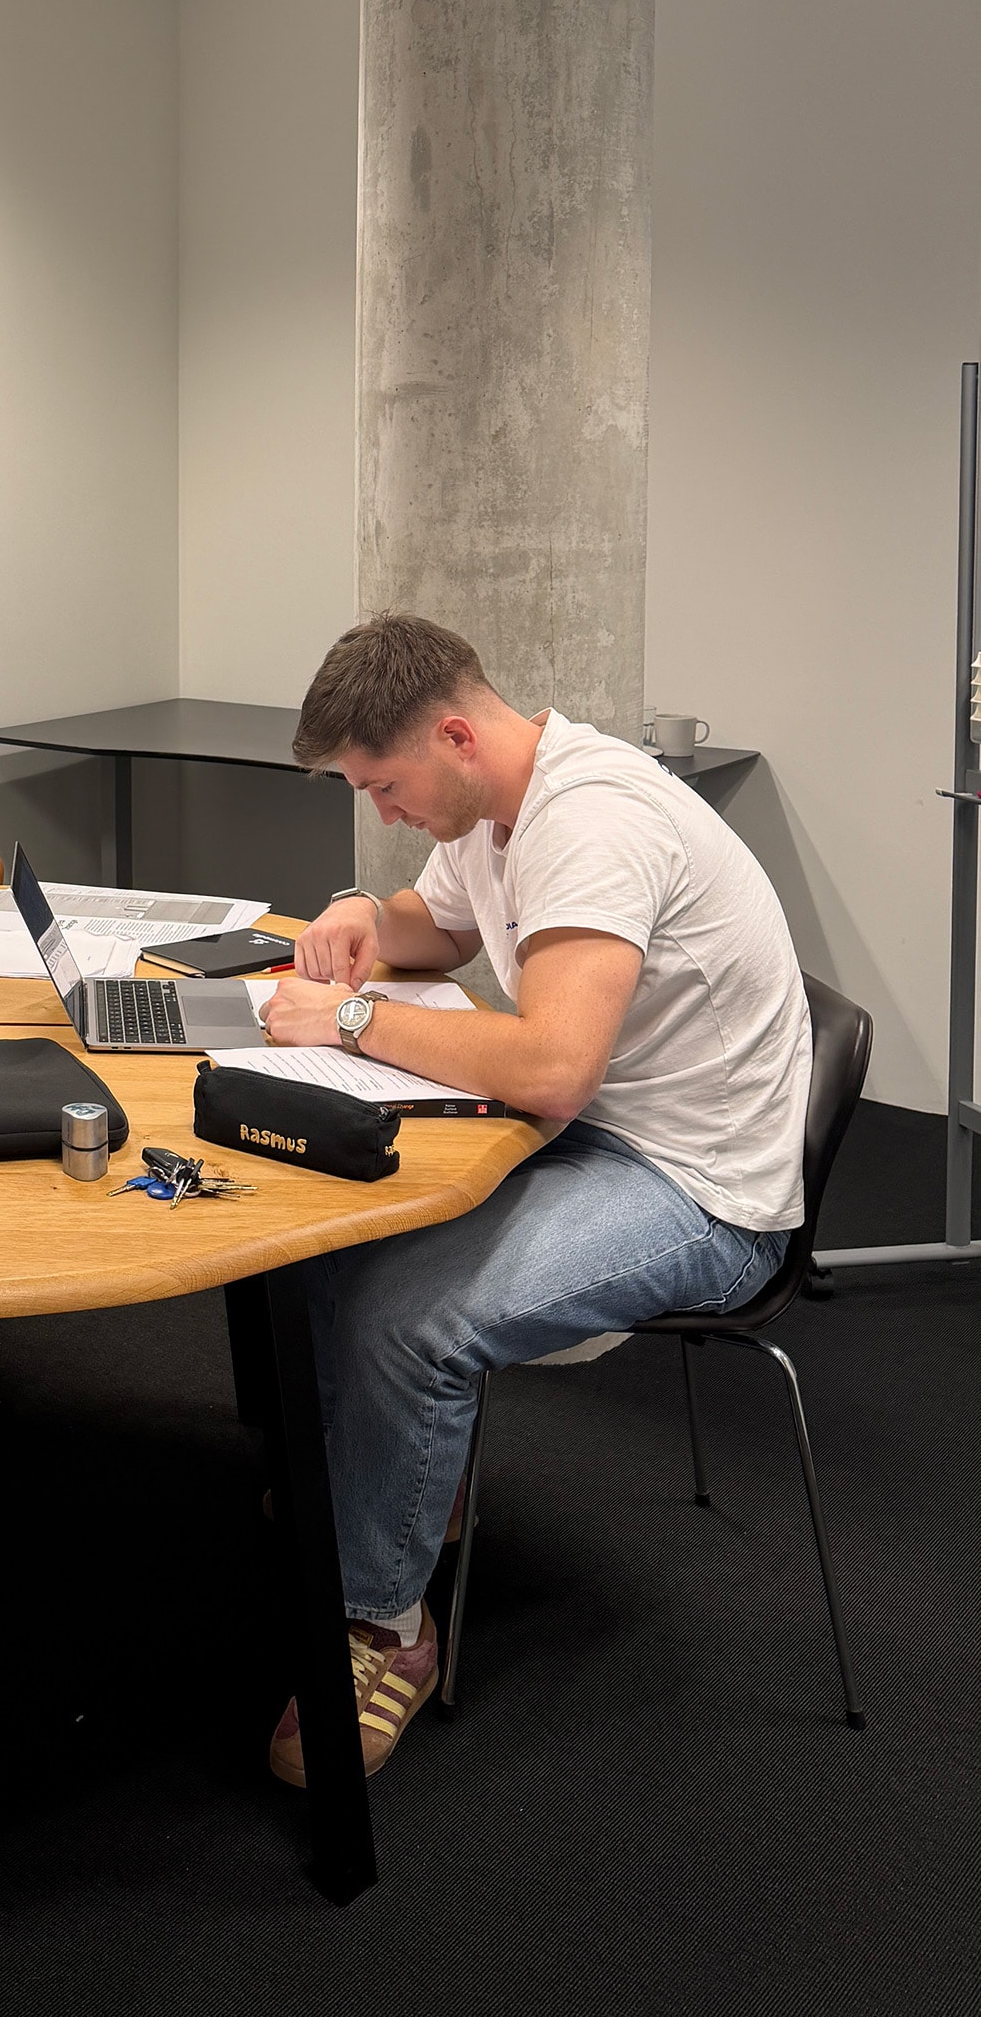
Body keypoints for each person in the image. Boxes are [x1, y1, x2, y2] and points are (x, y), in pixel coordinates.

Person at [262, 613, 809, 1788]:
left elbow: (556, 1068)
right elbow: (439, 924)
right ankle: (394, 1490)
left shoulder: (590, 822)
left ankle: (381, 1625)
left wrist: (349, 1018)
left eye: (388, 787)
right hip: (598, 1137)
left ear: (455, 734)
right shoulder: (497, 803)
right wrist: (368, 913)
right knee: (323, 1234)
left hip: (701, 1189)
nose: (388, 812)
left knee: (410, 1319)